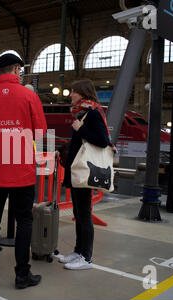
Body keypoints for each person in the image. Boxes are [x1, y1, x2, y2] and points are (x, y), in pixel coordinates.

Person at [0, 53, 47, 289]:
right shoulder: (29, 95)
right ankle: (22, 276)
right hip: (21, 170)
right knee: (24, 220)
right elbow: (41, 132)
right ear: (16, 69)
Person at [60, 79, 111, 270]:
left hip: (85, 170)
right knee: (78, 213)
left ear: (83, 93)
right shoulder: (83, 112)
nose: (70, 95)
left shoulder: (93, 113)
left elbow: (102, 140)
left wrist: (80, 129)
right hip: (77, 169)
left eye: (73, 91)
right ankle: (78, 251)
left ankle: (86, 257)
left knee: (84, 213)